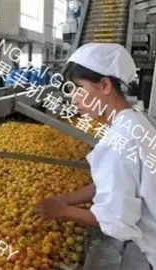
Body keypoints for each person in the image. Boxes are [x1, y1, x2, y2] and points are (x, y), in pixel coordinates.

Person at [36, 43, 156, 269]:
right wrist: (66, 199)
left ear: (104, 85)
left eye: (79, 89)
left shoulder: (118, 141)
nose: (74, 99)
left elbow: (115, 221)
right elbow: (115, 182)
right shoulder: (135, 120)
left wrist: (60, 211)